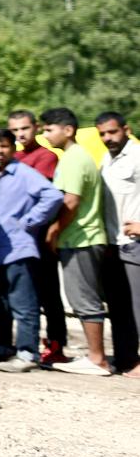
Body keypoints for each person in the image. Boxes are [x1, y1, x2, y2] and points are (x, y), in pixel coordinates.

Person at [0, 128, 65, 373]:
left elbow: (52, 196)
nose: (0, 151)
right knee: (2, 303)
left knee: (24, 303)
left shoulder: (24, 173)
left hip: (19, 248)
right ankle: (4, 347)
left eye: (5, 146)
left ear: (13, 148)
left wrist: (29, 221)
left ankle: (27, 352)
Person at [42, 107, 115, 376]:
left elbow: (71, 202)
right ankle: (95, 356)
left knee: (84, 300)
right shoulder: (74, 157)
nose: (45, 134)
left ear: (68, 130)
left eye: (49, 129)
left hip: (81, 239)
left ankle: (98, 359)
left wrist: (54, 231)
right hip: (80, 238)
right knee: (81, 298)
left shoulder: (74, 159)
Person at [9, 109, 66, 365]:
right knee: (23, 294)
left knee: (48, 293)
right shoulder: (14, 156)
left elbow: (39, 196)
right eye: (15, 130)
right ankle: (24, 343)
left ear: (36, 127)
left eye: (25, 128)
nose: (21, 134)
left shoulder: (46, 156)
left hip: (39, 236)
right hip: (16, 238)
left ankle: (56, 345)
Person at [96, 111, 140, 378]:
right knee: (118, 308)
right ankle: (127, 360)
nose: (107, 138)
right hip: (112, 244)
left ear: (126, 129)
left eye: (112, 132)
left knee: (138, 307)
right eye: (102, 134)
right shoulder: (106, 160)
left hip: (134, 243)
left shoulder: (137, 157)